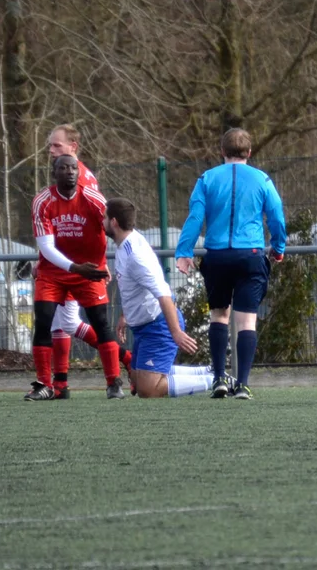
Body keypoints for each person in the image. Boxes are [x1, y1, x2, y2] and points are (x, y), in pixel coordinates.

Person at [175, 128, 287, 400]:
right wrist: (279, 247)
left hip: (217, 256)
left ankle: (219, 380)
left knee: (219, 315)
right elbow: (276, 216)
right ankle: (243, 385)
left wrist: (184, 251)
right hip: (250, 255)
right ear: (249, 152)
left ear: (222, 151)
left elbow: (195, 216)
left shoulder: (207, 178)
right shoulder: (262, 179)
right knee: (246, 320)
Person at [42, 124, 132, 396]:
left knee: (70, 321)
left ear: (73, 147)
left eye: (56, 145)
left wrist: (98, 262)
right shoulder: (66, 176)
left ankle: (123, 362)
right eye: (50, 145)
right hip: (65, 262)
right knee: (63, 321)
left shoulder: (81, 180)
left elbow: (96, 225)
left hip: (80, 266)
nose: (51, 150)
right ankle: (60, 383)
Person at [26, 154, 124, 400]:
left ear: (79, 174)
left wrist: (105, 263)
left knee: (101, 322)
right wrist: (75, 268)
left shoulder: (94, 199)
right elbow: (46, 247)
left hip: (89, 270)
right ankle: (44, 385)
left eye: (73, 168)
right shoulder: (42, 201)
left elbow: (115, 230)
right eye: (63, 168)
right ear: (54, 173)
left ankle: (114, 382)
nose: (69, 172)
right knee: (43, 321)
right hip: (53, 272)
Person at [105, 197, 216, 397]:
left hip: (158, 325)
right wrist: (124, 315)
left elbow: (163, 293)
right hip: (145, 327)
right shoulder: (125, 244)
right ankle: (208, 371)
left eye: (104, 218)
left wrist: (176, 333)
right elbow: (132, 287)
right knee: (137, 379)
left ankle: (215, 380)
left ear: (113, 222)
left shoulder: (135, 255)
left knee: (148, 389)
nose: (101, 221)